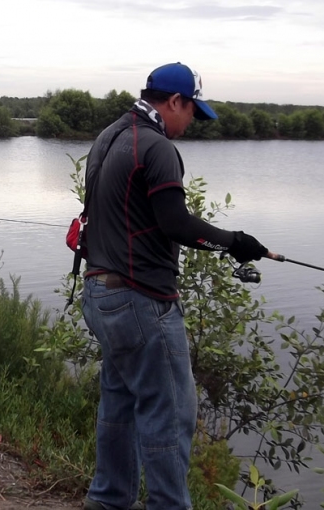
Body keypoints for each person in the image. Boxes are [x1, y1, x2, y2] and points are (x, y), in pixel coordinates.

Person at [80, 63, 269, 510]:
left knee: (120, 407)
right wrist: (235, 243)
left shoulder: (108, 137)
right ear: (175, 102)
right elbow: (175, 223)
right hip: (140, 299)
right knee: (170, 416)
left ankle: (107, 501)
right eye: (192, 113)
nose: (191, 125)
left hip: (100, 294)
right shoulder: (157, 146)